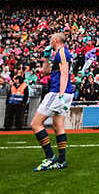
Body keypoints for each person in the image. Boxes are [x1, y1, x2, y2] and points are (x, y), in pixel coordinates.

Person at [30, 33, 73, 172]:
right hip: (63, 92)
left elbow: (65, 73)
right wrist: (46, 58)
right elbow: (46, 72)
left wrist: (60, 94)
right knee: (57, 126)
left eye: (50, 40)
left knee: (36, 124)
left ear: (55, 40)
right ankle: (61, 160)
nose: (49, 42)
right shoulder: (57, 54)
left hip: (57, 92)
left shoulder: (62, 53)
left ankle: (50, 157)